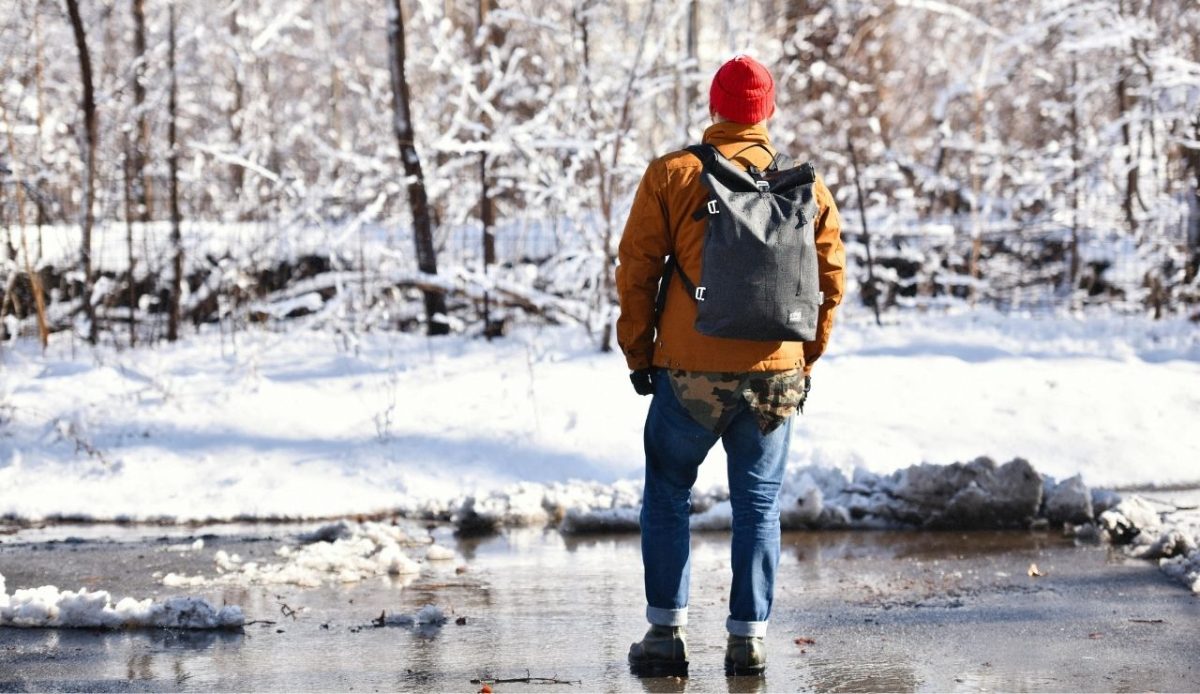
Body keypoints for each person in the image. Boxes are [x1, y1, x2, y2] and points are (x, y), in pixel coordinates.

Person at [615, 54, 845, 677]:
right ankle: (748, 642)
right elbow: (831, 281)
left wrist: (639, 352)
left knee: (667, 494)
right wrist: (804, 358)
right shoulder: (807, 186)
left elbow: (636, 272)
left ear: (715, 107)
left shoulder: (674, 174)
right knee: (758, 504)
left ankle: (665, 637)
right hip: (777, 375)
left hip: (688, 372)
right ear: (767, 113)